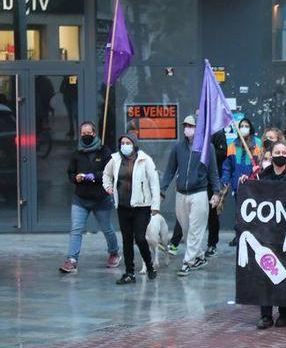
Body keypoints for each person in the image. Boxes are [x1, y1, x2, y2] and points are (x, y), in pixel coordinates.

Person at [239, 142, 286, 330]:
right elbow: (251, 191)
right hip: (266, 233)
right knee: (266, 272)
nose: (280, 155)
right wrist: (247, 182)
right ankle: (266, 315)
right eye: (277, 152)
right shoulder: (262, 175)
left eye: (284, 152)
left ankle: (285, 314)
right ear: (271, 154)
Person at [160, 115, 222, 277]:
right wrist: (162, 190)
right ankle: (199, 256)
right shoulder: (178, 148)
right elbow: (170, 171)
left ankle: (187, 263)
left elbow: (213, 172)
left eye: (191, 125)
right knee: (187, 230)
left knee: (195, 229)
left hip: (199, 193)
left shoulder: (208, 148)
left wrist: (216, 192)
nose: (187, 128)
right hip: (181, 194)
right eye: (186, 125)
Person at [60, 122, 120, 273]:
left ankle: (114, 253)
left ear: (94, 133)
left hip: (101, 199)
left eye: (89, 132)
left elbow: (110, 172)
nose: (86, 135)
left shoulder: (104, 152)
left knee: (107, 229)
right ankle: (72, 260)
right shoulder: (77, 153)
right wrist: (77, 178)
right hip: (80, 199)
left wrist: (93, 176)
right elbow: (70, 173)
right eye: (83, 133)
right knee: (76, 229)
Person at [102, 134, 161, 284]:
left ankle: (149, 265)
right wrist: (108, 187)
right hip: (123, 205)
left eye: (128, 142)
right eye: (122, 143)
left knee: (140, 238)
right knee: (127, 240)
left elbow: (154, 183)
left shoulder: (145, 160)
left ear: (134, 144)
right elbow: (106, 175)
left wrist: (155, 205)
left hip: (142, 205)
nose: (125, 145)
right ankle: (129, 273)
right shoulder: (115, 159)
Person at [221, 118, 263, 198]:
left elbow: (261, 164)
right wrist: (225, 181)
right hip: (237, 186)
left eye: (246, 126)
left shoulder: (258, 143)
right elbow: (227, 167)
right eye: (242, 126)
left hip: (254, 186)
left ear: (250, 128)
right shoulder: (232, 145)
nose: (244, 128)